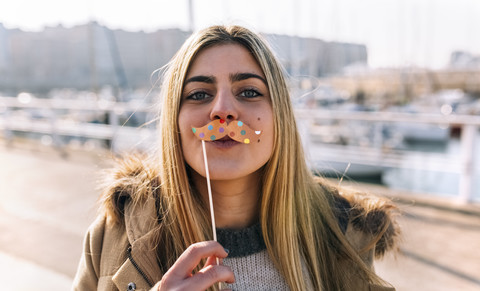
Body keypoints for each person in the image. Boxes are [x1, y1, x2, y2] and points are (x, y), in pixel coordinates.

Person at [73, 25, 400, 291]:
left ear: (279, 117)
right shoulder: (112, 235)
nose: (222, 111)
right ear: (174, 120)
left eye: (249, 92)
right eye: (199, 94)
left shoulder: (344, 233)